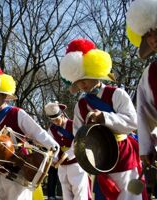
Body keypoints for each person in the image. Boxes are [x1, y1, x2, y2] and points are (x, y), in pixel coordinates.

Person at [59, 38, 148, 200]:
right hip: (99, 158)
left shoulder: (117, 94)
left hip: (123, 153)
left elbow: (132, 122)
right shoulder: (81, 105)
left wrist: (103, 117)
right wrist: (75, 154)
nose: (82, 84)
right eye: (77, 81)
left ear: (96, 71)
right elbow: (78, 135)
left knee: (129, 196)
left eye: (84, 77)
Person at [0, 66, 60, 200]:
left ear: (4, 94)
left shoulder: (17, 113)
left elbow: (37, 132)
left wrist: (53, 149)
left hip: (19, 166)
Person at [126, 0, 157, 166]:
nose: (153, 39)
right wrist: (146, 147)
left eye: (156, 31)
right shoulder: (150, 74)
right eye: (148, 34)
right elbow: (144, 111)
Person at [44, 101, 90, 200]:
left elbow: (79, 142)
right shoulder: (52, 129)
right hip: (62, 167)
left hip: (76, 164)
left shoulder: (74, 124)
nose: (55, 122)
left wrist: (67, 154)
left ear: (62, 115)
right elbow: (51, 145)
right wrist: (54, 159)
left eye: (57, 120)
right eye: (53, 121)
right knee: (66, 194)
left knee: (79, 193)